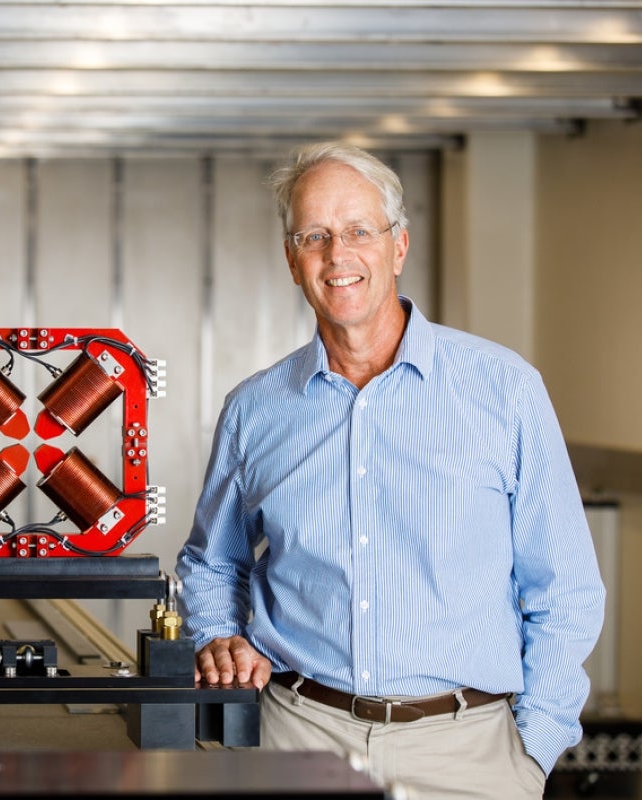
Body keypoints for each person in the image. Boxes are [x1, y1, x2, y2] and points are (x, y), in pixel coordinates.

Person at [175, 141, 605, 799]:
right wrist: (222, 636)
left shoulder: (505, 390)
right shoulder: (254, 410)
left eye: (358, 232)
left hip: (469, 754)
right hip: (296, 737)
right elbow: (212, 563)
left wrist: (533, 752)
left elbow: (565, 587)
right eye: (314, 236)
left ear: (398, 246)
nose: (337, 254)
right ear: (293, 260)